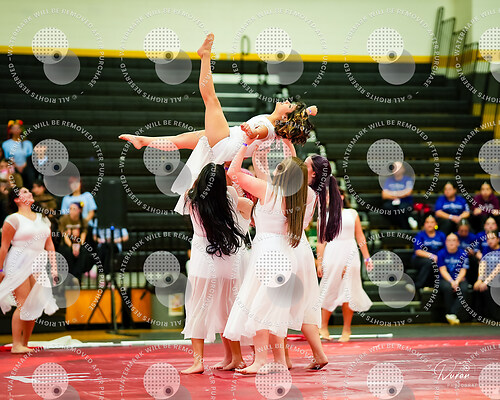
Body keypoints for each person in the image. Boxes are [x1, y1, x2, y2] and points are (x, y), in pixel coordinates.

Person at [119, 34, 317, 213]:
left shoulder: (269, 128)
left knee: (211, 99)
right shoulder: (275, 124)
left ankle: (205, 55)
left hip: (227, 142)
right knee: (181, 140)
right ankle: (142, 141)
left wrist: (251, 131)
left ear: (286, 117)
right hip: (227, 141)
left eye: (289, 105)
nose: (286, 101)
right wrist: (308, 111)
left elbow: (259, 131)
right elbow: (296, 120)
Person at [224, 130, 315, 373]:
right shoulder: (299, 197)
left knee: (259, 309)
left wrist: (245, 144)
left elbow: (233, 173)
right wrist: (287, 145)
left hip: (268, 255)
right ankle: (280, 361)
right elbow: (296, 169)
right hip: (283, 255)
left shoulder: (268, 190)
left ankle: (261, 361)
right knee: (272, 310)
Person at [180, 163, 252, 375]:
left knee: (197, 310)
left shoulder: (191, 199)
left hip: (203, 263)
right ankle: (236, 357)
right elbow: (244, 202)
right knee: (229, 310)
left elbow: (191, 183)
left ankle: (198, 362)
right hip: (227, 261)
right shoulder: (229, 196)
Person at [0, 187, 58, 353]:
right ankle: (16, 344)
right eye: (24, 192)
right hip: (18, 260)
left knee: (34, 304)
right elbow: (4, 247)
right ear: (17, 200)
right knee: (23, 303)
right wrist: (0, 269)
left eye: (29, 191)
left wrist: (54, 269)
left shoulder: (43, 218)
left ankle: (24, 343)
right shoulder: (13, 219)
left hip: (38, 261)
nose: (29, 193)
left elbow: (49, 245)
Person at [316, 188, 373, 342]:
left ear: (342, 196)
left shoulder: (352, 213)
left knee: (349, 291)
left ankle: (346, 329)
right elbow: (321, 241)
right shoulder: (323, 216)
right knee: (329, 289)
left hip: (350, 253)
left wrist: (367, 257)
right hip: (332, 253)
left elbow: (360, 236)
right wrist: (319, 262)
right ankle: (323, 327)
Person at [409, 214, 446, 294]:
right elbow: (418, 251)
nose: (430, 224)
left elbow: (445, 249)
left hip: (437, 259)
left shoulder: (441, 235)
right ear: (424, 224)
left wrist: (439, 257)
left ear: (436, 224)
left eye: (432, 222)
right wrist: (432, 256)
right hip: (420, 259)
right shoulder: (420, 235)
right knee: (429, 262)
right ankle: (417, 285)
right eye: (427, 222)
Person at [437, 233, 469, 325]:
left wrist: (457, 281)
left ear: (458, 243)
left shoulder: (463, 253)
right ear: (446, 243)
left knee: (464, 289)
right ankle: (450, 314)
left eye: (454, 240)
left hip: (460, 279)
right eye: (449, 240)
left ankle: (452, 314)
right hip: (445, 279)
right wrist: (452, 282)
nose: (451, 242)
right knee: (447, 288)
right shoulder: (441, 253)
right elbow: (443, 270)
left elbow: (463, 270)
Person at [58, 202, 88, 282]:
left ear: (79, 210)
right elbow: (64, 235)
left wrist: (78, 246)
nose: (71, 211)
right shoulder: (64, 219)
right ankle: (70, 276)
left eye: (74, 209)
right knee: (67, 251)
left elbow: (83, 234)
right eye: (70, 209)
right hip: (67, 243)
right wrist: (72, 246)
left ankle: (77, 277)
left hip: (78, 243)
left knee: (83, 251)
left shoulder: (83, 221)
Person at [473, 232, 500, 322]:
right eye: (488, 239)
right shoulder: (486, 249)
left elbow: (498, 269)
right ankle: (479, 316)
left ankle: (496, 316)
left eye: (492, 238)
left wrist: (485, 282)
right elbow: (483, 264)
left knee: (491, 286)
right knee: (477, 287)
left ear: (498, 239)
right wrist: (480, 279)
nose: (490, 241)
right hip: (489, 277)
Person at [2, 120, 35, 190]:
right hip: (13, 167)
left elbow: (30, 157)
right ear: (10, 130)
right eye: (14, 128)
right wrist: (15, 166)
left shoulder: (28, 143)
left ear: (21, 130)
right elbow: (7, 158)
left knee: (30, 175)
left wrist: (24, 166)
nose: (16, 130)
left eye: (18, 128)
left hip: (26, 167)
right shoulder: (6, 144)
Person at [381, 161, 414, 229]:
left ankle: (405, 229)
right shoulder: (389, 180)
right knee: (386, 208)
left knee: (402, 210)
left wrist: (392, 193)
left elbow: (408, 192)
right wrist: (400, 193)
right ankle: (397, 226)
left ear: (403, 169)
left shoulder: (408, 179)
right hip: (392, 202)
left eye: (398, 167)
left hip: (405, 202)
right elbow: (384, 195)